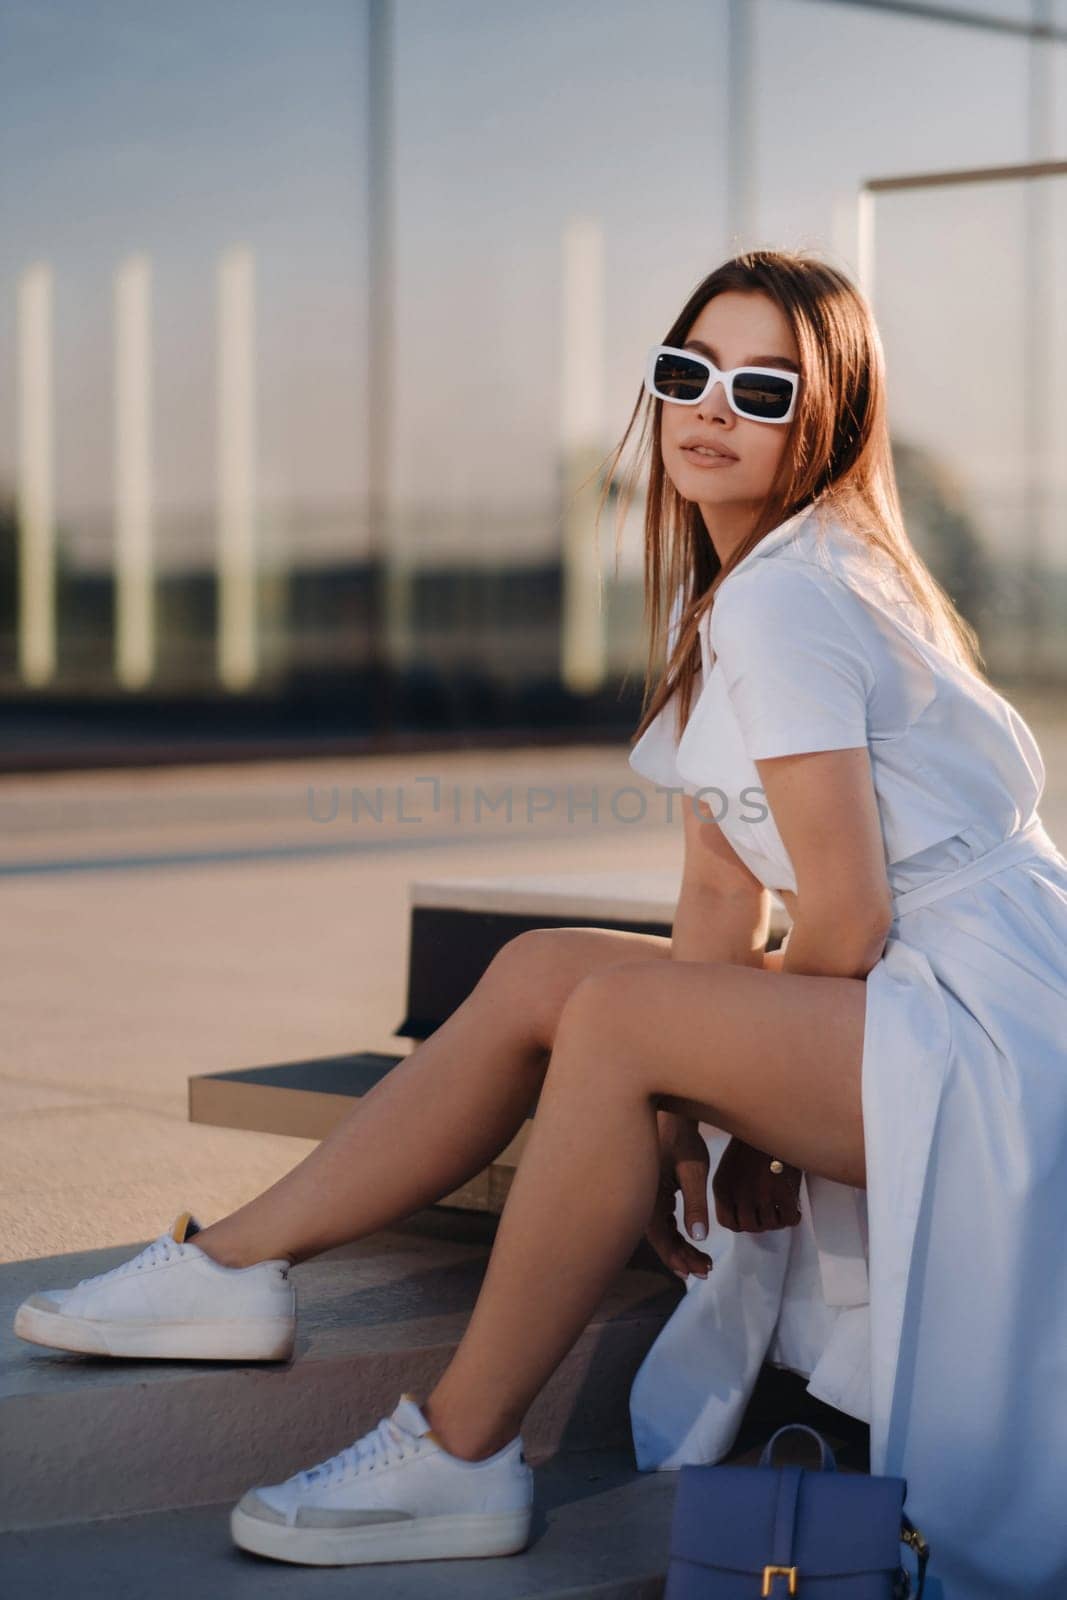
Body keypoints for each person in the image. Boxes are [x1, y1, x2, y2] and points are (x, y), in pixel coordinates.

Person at [12, 248, 1067, 1594]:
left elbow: (847, 910)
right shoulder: (752, 589)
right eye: (688, 374)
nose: (711, 409)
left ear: (830, 418)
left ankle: (454, 1446)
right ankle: (229, 1268)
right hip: (969, 997)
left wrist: (744, 1107)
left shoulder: (795, 596)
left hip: (987, 1031)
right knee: (540, 975)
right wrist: (698, 1110)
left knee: (611, 1013)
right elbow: (719, 891)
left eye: (763, 387)